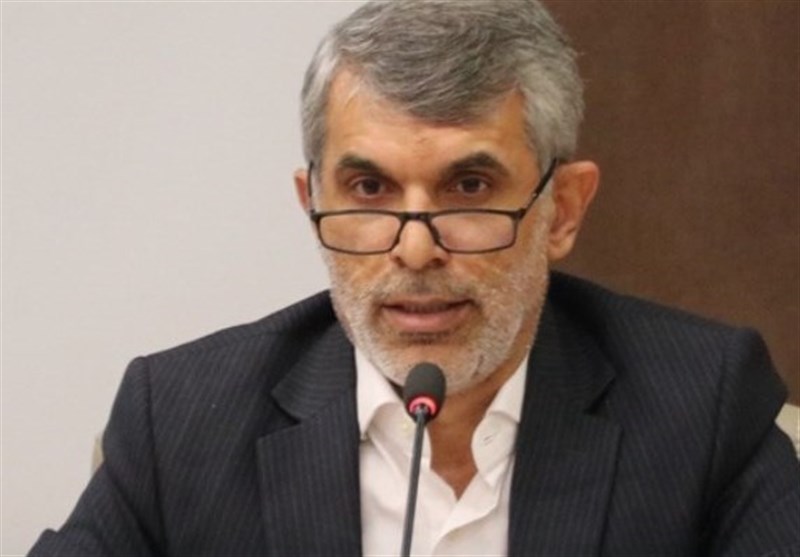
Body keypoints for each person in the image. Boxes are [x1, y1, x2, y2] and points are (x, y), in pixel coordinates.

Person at [29, 1, 800, 556]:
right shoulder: (183, 421)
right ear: (312, 205)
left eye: (469, 187)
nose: (417, 249)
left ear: (562, 209)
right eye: (369, 190)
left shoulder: (701, 404)